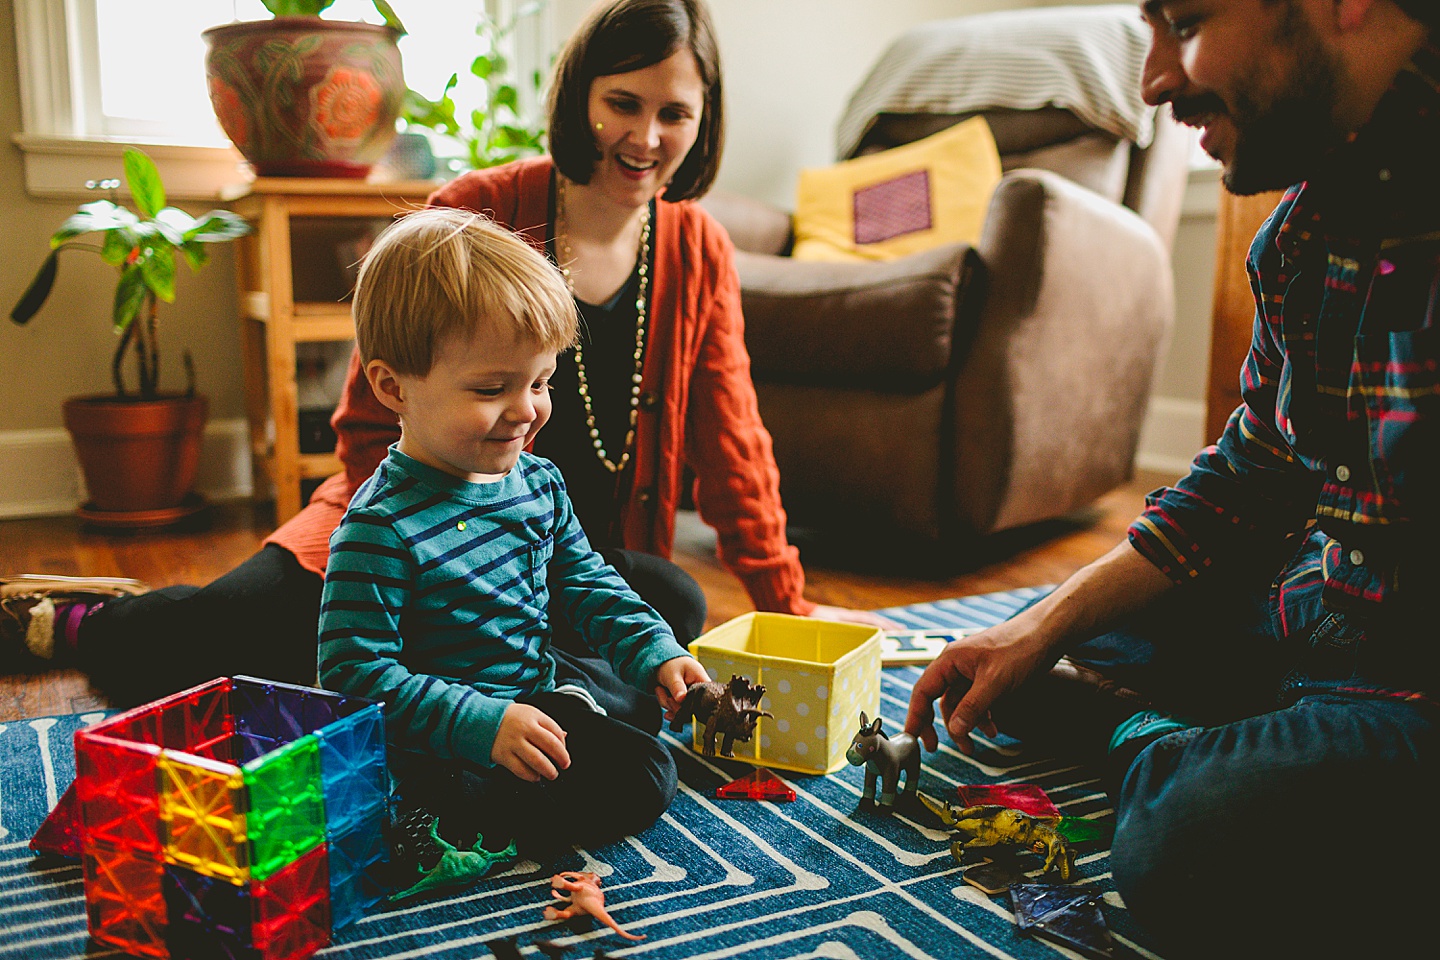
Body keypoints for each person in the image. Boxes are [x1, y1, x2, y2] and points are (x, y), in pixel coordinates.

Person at [0, 0, 886, 709]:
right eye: (624, 103)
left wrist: (786, 607)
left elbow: (734, 440)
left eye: (675, 113)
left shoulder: (699, 250)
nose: (646, 138)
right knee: (216, 647)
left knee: (677, 610)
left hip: (551, 549)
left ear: (704, 122)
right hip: (403, 530)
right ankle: (75, 622)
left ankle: (477, 678)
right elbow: (365, 414)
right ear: (582, 95)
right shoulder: (479, 206)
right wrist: (408, 555)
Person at [904, 2, 1437, 957]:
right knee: (1098, 618)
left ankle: (1134, 734)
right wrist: (1041, 625)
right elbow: (1251, 476)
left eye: (1186, 21)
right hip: (1330, 601)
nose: (1152, 81)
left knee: (1186, 839)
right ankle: (1217, 712)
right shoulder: (1300, 237)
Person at [319, 205, 709, 872]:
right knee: (645, 776)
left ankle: (527, 764)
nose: (527, 409)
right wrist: (481, 724)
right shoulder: (380, 526)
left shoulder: (537, 482)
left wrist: (655, 652)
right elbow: (354, 676)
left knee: (639, 716)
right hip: (442, 743)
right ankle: (442, 821)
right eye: (493, 387)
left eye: (541, 382)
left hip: (533, 693)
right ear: (394, 388)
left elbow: (587, 583)